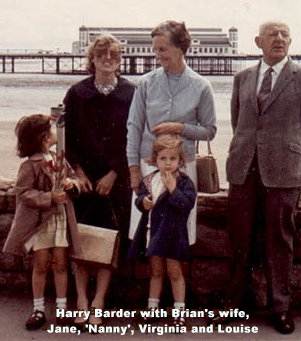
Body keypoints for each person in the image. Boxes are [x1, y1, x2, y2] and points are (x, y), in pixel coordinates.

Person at [218, 21, 301, 334]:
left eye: (284, 34)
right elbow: (240, 121)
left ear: (290, 41)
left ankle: (280, 307)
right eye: (272, 34)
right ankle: (233, 305)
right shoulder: (242, 78)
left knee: (280, 239)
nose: (279, 39)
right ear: (258, 41)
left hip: (285, 171)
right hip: (243, 169)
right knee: (239, 238)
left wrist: (290, 155)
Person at [63, 35, 135, 327]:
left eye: (114, 54)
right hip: (84, 180)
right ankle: (81, 298)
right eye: (102, 54)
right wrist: (78, 171)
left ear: (120, 60)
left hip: (115, 178)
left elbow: (135, 137)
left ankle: (99, 301)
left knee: (110, 241)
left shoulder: (132, 92)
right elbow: (66, 137)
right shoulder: (77, 93)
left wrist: (115, 172)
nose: (108, 59)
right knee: (80, 241)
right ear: (91, 59)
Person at [127, 20, 216, 248]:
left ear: (180, 47)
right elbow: (134, 126)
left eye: (162, 49)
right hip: (149, 166)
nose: (157, 55)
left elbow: (210, 131)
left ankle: (176, 283)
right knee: (147, 233)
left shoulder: (201, 86)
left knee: (179, 233)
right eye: (155, 49)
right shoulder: (146, 82)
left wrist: (179, 128)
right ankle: (153, 283)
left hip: (183, 169)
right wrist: (134, 169)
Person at [2, 114, 80, 330]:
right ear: (44, 137)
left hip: (60, 218)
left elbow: (72, 177)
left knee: (61, 263)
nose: (56, 133)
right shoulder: (30, 165)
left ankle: (62, 308)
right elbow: (24, 192)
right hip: (41, 222)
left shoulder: (58, 158)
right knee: (41, 264)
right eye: (51, 130)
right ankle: (38, 309)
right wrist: (49, 198)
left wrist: (72, 185)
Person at [129, 134, 196, 326]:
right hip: (154, 233)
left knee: (175, 272)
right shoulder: (150, 179)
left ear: (180, 160)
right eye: (163, 158)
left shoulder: (184, 182)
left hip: (173, 235)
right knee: (155, 271)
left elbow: (186, 204)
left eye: (173, 158)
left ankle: (179, 311)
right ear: (155, 159)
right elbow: (139, 198)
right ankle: (152, 308)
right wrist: (144, 202)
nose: (168, 163)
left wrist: (173, 189)